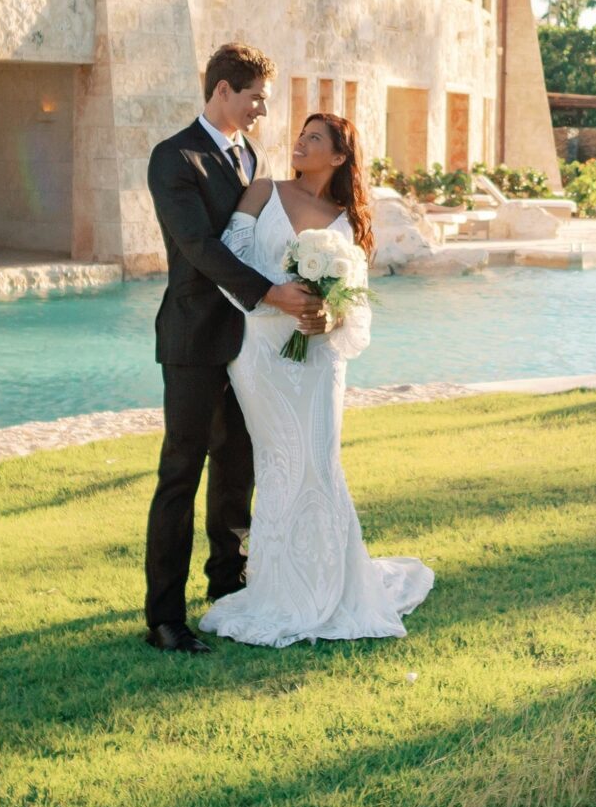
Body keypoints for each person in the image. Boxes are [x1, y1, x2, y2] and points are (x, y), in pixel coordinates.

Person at [201, 111, 431, 646]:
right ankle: (278, 586)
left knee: (321, 461)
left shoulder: (346, 220)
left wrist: (330, 316)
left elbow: (353, 299)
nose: (300, 143)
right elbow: (230, 260)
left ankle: (332, 582)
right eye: (300, 135)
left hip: (321, 357)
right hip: (260, 349)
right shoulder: (263, 191)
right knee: (280, 462)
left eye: (314, 139)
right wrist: (275, 296)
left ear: (338, 156)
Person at [141, 45, 327, 654]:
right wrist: (273, 293)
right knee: (181, 473)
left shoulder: (250, 156)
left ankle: (228, 585)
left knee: (236, 471)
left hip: (250, 346)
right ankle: (165, 617)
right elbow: (200, 248)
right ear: (223, 91)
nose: (261, 113)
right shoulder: (173, 158)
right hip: (194, 339)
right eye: (254, 99)